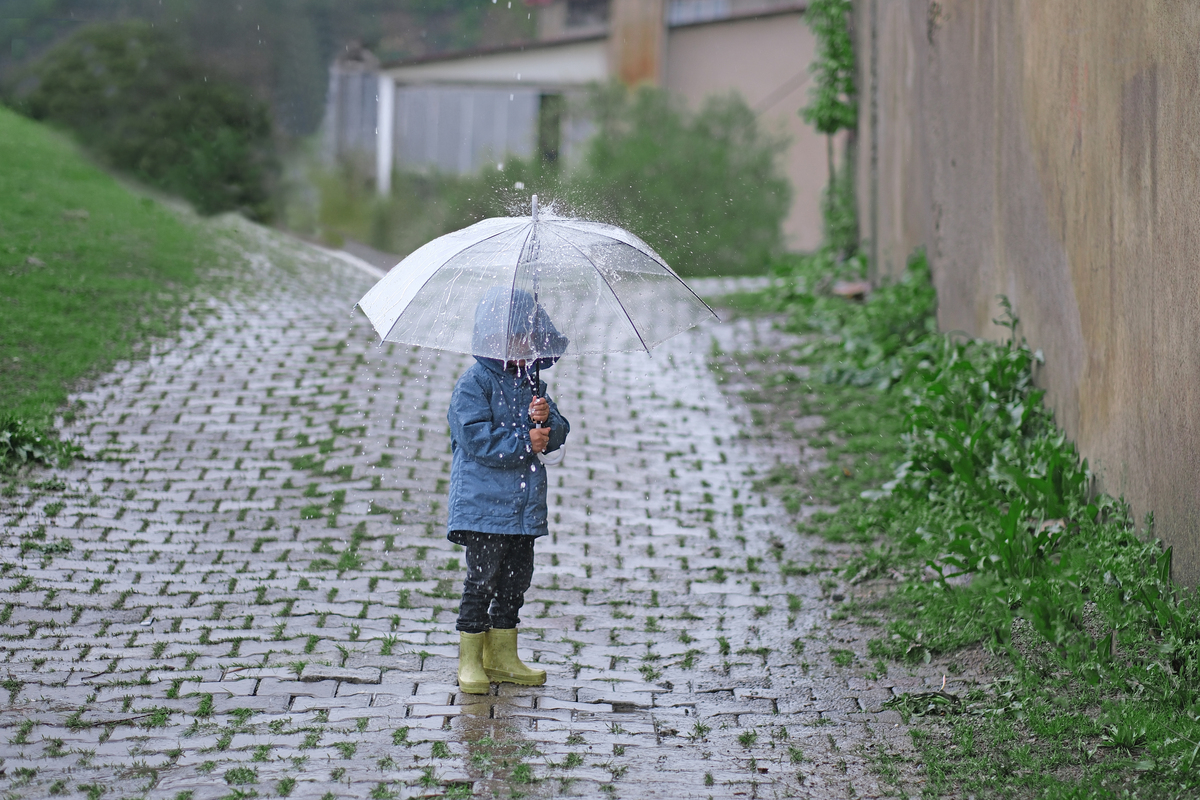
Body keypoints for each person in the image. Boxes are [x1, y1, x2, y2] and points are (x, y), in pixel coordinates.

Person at [446, 287, 570, 694]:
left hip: (522, 507)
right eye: (515, 338)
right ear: (492, 338)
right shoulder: (474, 383)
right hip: (483, 508)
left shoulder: (533, 382)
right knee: (482, 579)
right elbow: (475, 437)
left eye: (528, 339)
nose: (523, 347)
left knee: (516, 580)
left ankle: (502, 654)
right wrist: (524, 441)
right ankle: (470, 657)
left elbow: (558, 432)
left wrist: (547, 419)